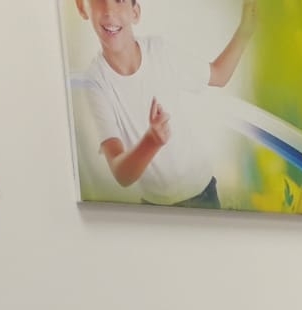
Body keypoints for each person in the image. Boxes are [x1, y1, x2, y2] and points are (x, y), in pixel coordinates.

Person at [72, 0, 257, 207]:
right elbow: (121, 174)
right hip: (155, 206)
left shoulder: (159, 51)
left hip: (202, 194)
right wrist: (152, 140)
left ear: (135, 12)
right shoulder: (96, 82)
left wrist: (245, 31)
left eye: (120, 0)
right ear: (82, 7)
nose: (108, 10)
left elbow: (219, 75)